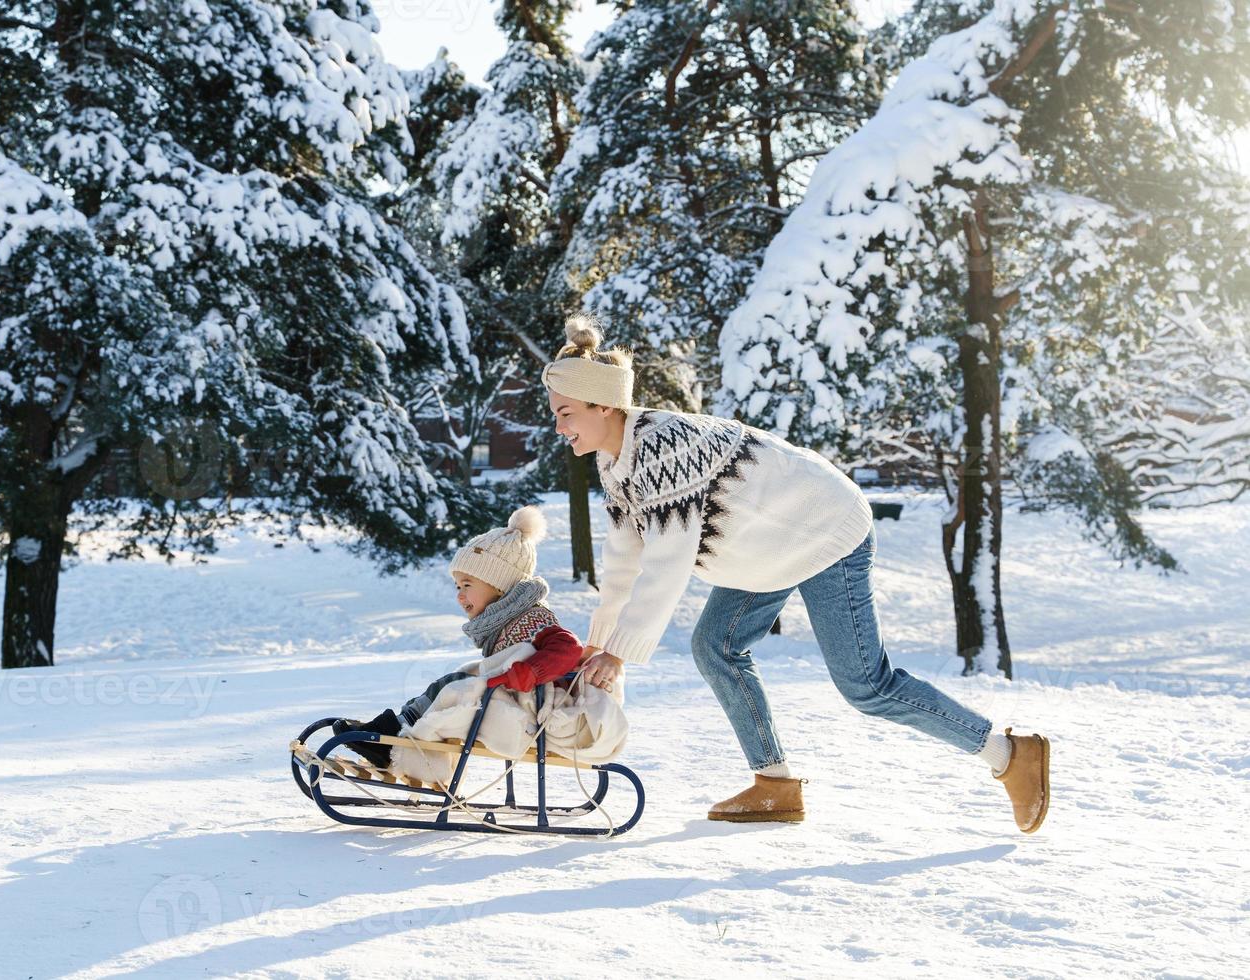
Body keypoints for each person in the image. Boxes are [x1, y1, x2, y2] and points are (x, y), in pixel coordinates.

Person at [544, 314, 1050, 833]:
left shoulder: (662, 444)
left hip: (825, 530)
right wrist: (600, 643)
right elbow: (624, 561)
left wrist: (620, 650)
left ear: (602, 405)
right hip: (768, 550)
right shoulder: (617, 462)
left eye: (565, 413)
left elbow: (666, 563)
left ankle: (1009, 753)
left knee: (867, 686)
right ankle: (775, 785)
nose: (559, 427)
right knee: (715, 645)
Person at [332, 506, 585, 769]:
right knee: (448, 686)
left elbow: (570, 648)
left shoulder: (533, 617)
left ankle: (394, 740)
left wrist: (531, 672)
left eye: (467, 585)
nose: (460, 595)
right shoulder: (504, 621)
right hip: (510, 701)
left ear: (500, 585)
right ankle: (394, 732)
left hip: (535, 710)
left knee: (454, 687)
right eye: (457, 586)